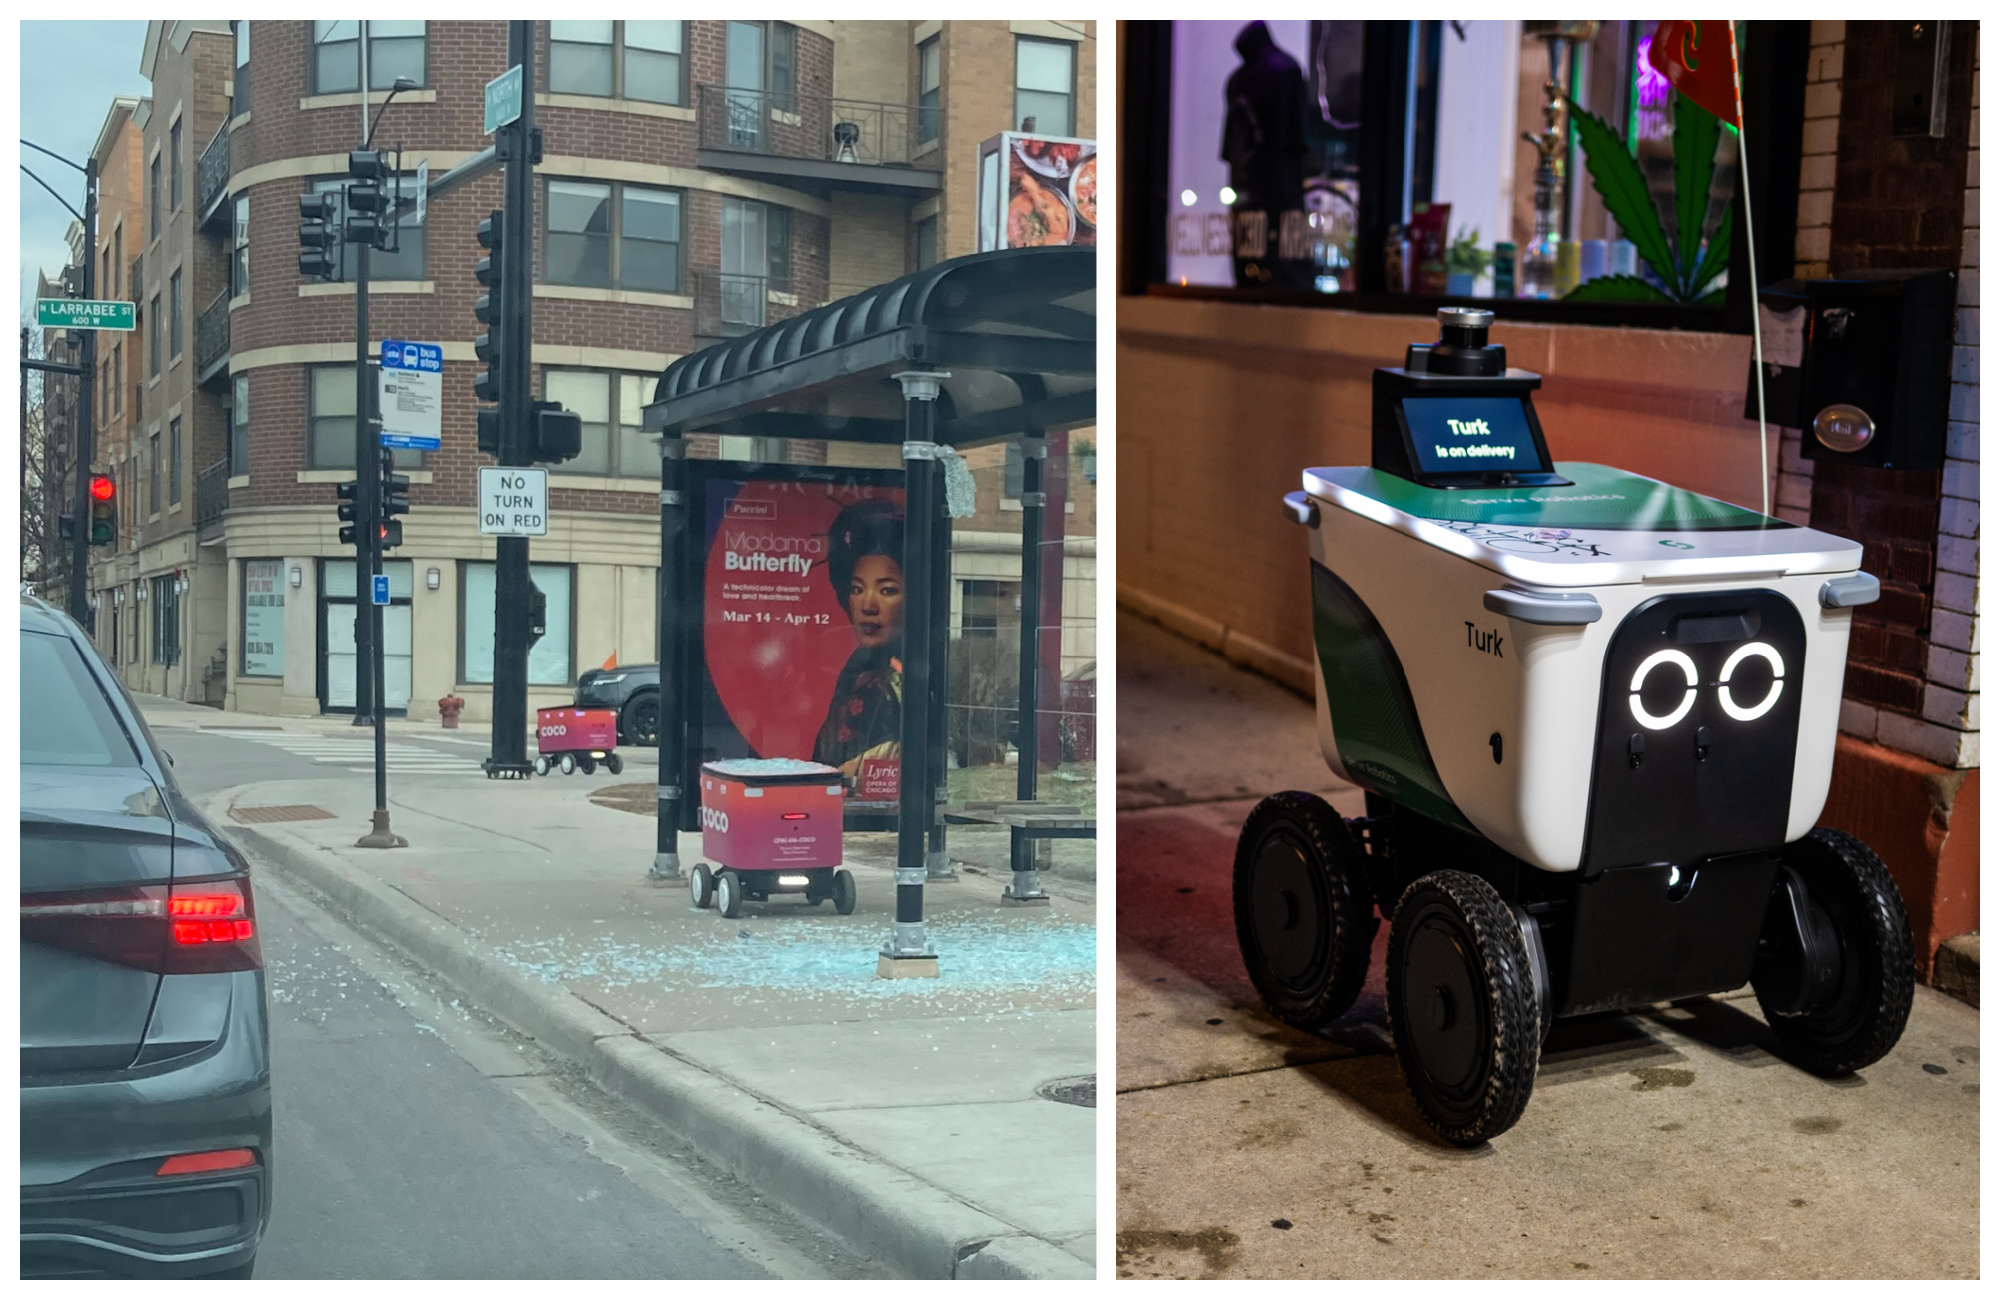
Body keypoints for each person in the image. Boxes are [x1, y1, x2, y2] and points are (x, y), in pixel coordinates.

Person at [812, 500, 906, 781]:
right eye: (857, 589)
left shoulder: (919, 670)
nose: (868, 605)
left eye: (887, 590)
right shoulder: (858, 667)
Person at [1222, 21, 1313, 289]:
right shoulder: (1284, 71)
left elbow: (1232, 150)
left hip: (1250, 196)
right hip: (1275, 195)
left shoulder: (1241, 79)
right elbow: (1293, 145)